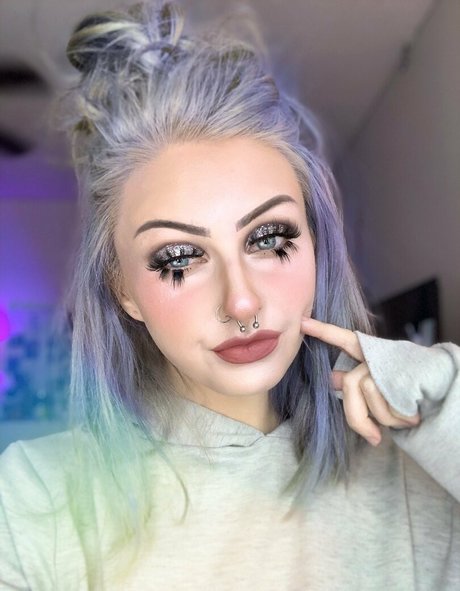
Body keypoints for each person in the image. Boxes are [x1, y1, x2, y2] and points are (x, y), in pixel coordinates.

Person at [0, 2, 458, 589]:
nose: (241, 303)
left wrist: (449, 407)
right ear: (123, 289)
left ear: (316, 246)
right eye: (179, 259)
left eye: (269, 240)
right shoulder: (33, 502)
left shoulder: (418, 474)